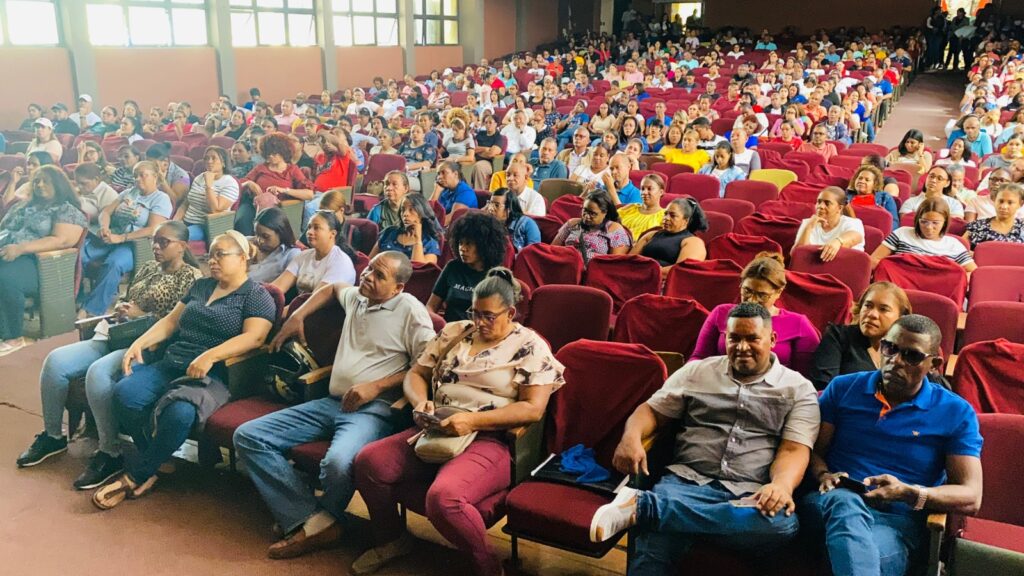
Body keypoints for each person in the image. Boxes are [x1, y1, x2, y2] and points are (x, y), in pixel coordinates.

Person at [353, 268, 564, 576]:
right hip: (436, 428)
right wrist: (420, 401)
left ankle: (488, 566)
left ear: (511, 313)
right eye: (474, 313)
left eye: (489, 316)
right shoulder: (455, 332)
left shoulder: (530, 346)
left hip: (489, 437)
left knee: (444, 499)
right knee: (368, 463)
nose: (479, 322)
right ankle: (393, 539)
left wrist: (472, 421)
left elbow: (533, 409)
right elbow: (416, 374)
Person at [589, 302, 820, 574]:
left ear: (772, 340)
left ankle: (648, 508)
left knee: (782, 525)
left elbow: (794, 449)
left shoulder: (797, 388)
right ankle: (695, 520)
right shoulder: (697, 373)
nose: (742, 347)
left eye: (752, 338)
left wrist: (781, 485)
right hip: (686, 480)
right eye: (734, 338)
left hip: (750, 490)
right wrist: (631, 437)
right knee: (656, 545)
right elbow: (651, 410)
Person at [234, 250, 435, 559]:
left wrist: (376, 387)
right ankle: (313, 519)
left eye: (379, 276)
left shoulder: (411, 311)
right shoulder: (359, 297)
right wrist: (298, 315)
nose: (367, 277)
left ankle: (310, 523)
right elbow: (331, 288)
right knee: (248, 436)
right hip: (331, 402)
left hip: (374, 410)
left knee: (338, 464)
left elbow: (427, 365)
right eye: (368, 270)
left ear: (398, 288)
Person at [92, 232, 276, 509]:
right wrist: (138, 343)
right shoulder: (201, 286)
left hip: (214, 373)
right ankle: (155, 458)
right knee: (125, 393)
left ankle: (136, 476)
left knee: (180, 413)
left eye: (221, 255)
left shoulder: (256, 295)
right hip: (173, 360)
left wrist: (209, 356)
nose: (212, 261)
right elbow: (170, 323)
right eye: (211, 254)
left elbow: (255, 337)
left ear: (243, 258)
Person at [16, 221, 203, 488]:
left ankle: (109, 452)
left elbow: (178, 324)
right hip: (116, 333)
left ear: (182, 246)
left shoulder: (192, 278)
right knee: (55, 361)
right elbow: (132, 299)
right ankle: (53, 436)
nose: (156, 247)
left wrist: (142, 316)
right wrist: (123, 309)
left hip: (147, 345)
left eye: (164, 242)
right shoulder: (148, 267)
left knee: (98, 373)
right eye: (154, 240)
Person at [801, 315, 983, 576]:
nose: (896, 361)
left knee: (864, 557)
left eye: (912, 356)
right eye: (890, 348)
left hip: (895, 523)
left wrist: (909, 492)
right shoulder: (843, 388)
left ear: (934, 365)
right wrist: (823, 475)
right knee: (845, 501)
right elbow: (814, 451)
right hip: (827, 504)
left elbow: (971, 496)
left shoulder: (955, 412)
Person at [0, 166, 87, 356]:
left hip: (39, 264)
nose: (39, 185)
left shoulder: (67, 210)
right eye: (36, 181)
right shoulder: (23, 205)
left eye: (45, 181)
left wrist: (20, 248)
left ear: (58, 184)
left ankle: (13, 336)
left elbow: (61, 240)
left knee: (4, 277)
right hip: (7, 253)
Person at [691, 253, 821, 376]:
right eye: (747, 291)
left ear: (779, 292)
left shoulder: (798, 324)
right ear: (740, 284)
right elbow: (699, 358)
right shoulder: (721, 313)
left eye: (762, 295)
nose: (752, 300)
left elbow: (805, 377)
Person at [79, 161, 173, 317]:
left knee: (114, 263)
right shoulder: (129, 192)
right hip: (112, 237)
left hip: (135, 244)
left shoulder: (161, 199)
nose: (138, 179)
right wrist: (105, 228)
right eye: (135, 175)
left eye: (142, 175)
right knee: (80, 255)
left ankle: (90, 310)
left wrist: (122, 238)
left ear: (155, 176)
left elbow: (153, 229)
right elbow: (105, 212)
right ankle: (77, 296)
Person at [808, 282, 912, 391]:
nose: (872, 314)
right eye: (868, 306)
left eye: (883, 309)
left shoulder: (908, 351)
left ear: (901, 318)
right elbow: (823, 388)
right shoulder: (838, 336)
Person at [427, 213, 507, 322]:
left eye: (468, 244)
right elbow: (431, 306)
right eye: (460, 243)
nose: (462, 249)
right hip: (449, 332)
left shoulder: (496, 275)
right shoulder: (452, 267)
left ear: (484, 245)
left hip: (479, 332)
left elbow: (494, 319)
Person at [234, 133, 315, 235]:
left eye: (274, 154)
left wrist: (284, 190)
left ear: (283, 152)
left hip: (279, 209)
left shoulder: (292, 170)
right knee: (241, 221)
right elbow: (239, 184)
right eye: (268, 154)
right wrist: (249, 183)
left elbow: (309, 194)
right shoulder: (261, 168)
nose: (271, 156)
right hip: (252, 205)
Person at [871, 198, 976, 273]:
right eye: (924, 222)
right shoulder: (902, 233)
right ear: (917, 220)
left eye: (935, 223)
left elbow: (974, 273)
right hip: (899, 287)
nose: (929, 227)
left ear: (945, 222)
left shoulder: (954, 245)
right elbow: (874, 260)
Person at [272, 210, 356, 296]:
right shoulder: (303, 256)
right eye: (309, 227)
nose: (309, 232)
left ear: (332, 233)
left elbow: (313, 300)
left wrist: (284, 310)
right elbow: (278, 287)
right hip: (298, 306)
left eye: (316, 228)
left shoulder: (341, 263)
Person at [630, 196, 709, 278]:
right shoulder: (651, 234)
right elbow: (629, 259)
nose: (666, 218)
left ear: (686, 220)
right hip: (636, 275)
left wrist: (646, 272)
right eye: (665, 214)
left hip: (659, 282)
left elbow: (680, 271)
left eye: (672, 215)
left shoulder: (693, 242)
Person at [174, 146, 239, 243]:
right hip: (186, 222)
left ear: (224, 162)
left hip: (206, 226)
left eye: (213, 158)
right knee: (164, 232)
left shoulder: (230, 183)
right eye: (206, 158)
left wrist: (209, 185)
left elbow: (215, 209)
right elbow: (186, 203)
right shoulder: (199, 178)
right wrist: (176, 220)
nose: (209, 161)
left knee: (175, 238)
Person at [552, 189, 631, 265]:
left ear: (605, 213)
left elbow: (614, 264)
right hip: (564, 266)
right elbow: (552, 250)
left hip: (592, 273)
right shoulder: (572, 224)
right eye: (584, 210)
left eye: (592, 213)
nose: (586, 216)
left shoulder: (614, 230)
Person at [792, 187, 866, 260]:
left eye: (827, 203)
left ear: (840, 208)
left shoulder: (854, 222)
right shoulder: (808, 223)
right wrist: (808, 227)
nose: (820, 206)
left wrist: (838, 242)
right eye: (819, 201)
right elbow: (796, 255)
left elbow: (856, 236)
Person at [370, 193, 442, 265]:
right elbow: (369, 261)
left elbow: (419, 271)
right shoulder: (389, 232)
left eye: (411, 209)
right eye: (403, 209)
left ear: (422, 213)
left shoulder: (430, 242)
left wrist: (418, 240)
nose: (405, 214)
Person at [248, 206, 301, 283]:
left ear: (281, 232)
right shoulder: (248, 242)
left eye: (266, 236)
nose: (260, 240)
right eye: (257, 234)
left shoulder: (291, 254)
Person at [964, 183, 1024, 248]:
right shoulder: (977, 226)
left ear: (1020, 204)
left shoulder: (1022, 227)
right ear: (995, 201)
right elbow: (960, 249)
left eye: (1010, 203)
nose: (1004, 206)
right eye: (1000, 201)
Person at [900, 166, 965, 218]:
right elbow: (906, 221)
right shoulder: (911, 202)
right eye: (931, 176)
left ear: (947, 183)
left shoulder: (954, 204)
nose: (933, 180)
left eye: (939, 178)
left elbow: (954, 225)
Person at [619, 173, 667, 240]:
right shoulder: (631, 208)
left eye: (649, 189)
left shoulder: (665, 216)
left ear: (661, 192)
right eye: (642, 188)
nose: (644, 192)